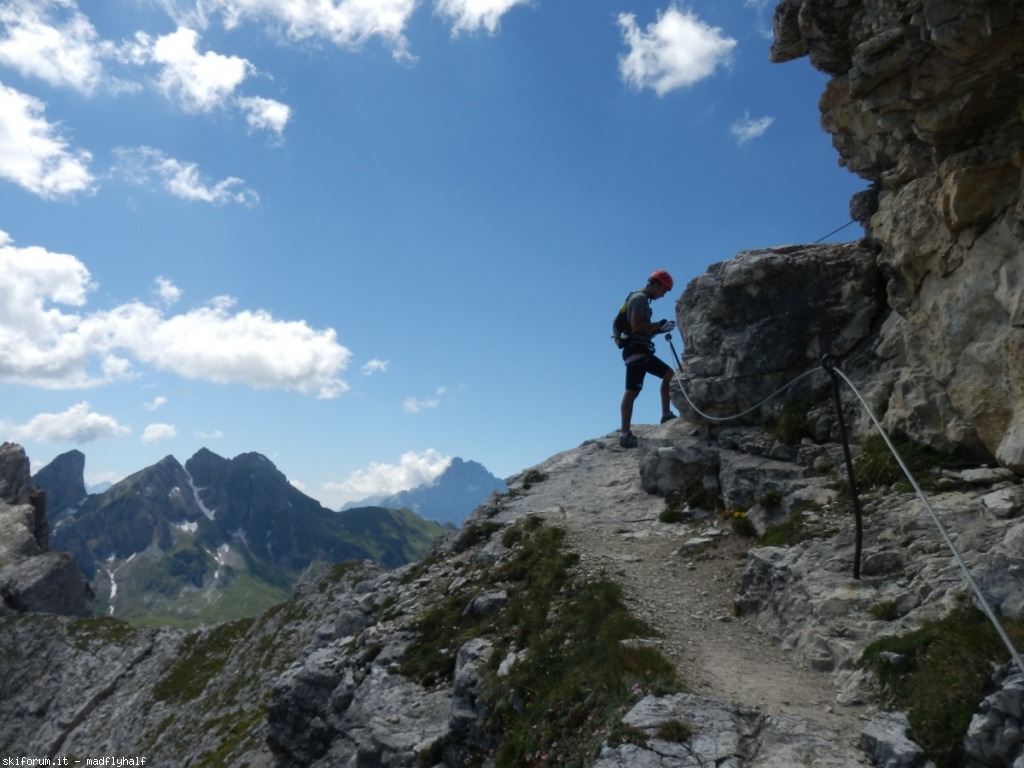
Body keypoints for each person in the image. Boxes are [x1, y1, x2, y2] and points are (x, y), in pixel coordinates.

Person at [618, 269, 678, 448]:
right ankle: (625, 435)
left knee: (669, 374)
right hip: (636, 351)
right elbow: (637, 326)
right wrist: (658, 325)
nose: (663, 295)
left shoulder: (640, 299)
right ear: (657, 284)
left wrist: (659, 329)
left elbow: (640, 328)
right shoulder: (640, 299)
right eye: (664, 290)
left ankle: (666, 414)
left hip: (639, 350)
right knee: (632, 391)